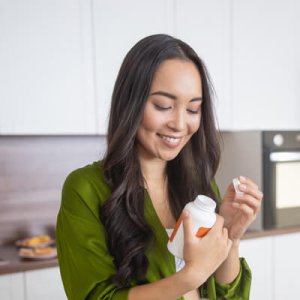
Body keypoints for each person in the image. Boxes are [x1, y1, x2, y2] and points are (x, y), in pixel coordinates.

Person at [56, 34, 263, 300]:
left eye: (192, 110)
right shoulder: (86, 188)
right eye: (163, 105)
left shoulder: (199, 185)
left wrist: (230, 239)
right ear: (131, 103)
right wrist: (191, 275)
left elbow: (229, 297)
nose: (179, 124)